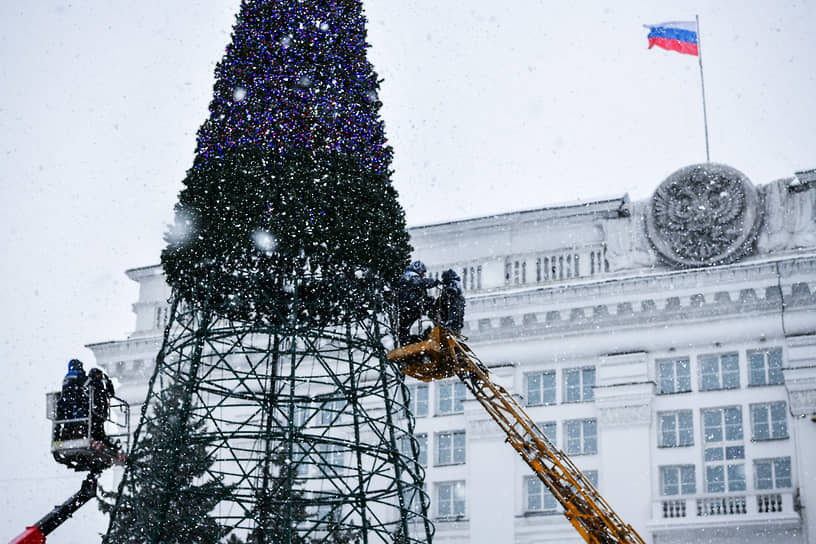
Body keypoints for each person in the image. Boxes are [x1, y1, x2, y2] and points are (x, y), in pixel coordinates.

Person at [397, 260, 439, 345]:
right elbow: (419, 282)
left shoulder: (405, 276)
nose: (423, 275)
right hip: (413, 306)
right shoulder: (411, 276)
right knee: (431, 302)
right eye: (423, 272)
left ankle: (404, 344)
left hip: (405, 308)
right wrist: (433, 282)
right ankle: (438, 325)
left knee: (404, 328)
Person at [57, 359, 89, 439]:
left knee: (68, 422)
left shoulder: (66, 378)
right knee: (78, 420)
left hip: (66, 405)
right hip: (77, 402)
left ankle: (65, 434)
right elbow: (88, 384)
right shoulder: (78, 375)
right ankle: (78, 433)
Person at [85, 368, 116, 448]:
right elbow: (85, 391)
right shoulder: (90, 383)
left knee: (99, 429)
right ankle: (99, 440)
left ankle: (103, 441)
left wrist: (108, 382)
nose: (99, 376)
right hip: (94, 413)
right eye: (97, 374)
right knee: (95, 429)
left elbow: (110, 393)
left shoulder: (100, 386)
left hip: (100, 413)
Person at [437, 269, 466, 335]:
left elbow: (452, 290)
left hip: (454, 319)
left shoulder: (453, 284)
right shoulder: (455, 283)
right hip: (454, 317)